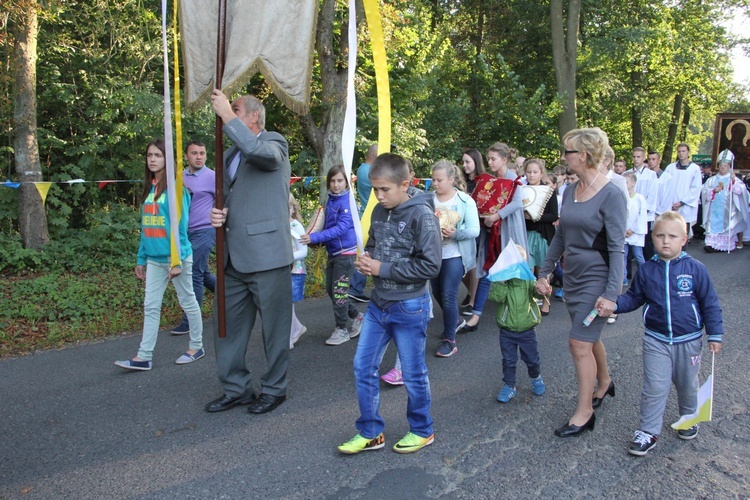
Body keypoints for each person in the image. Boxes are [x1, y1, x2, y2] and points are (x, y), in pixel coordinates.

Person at [337, 153, 442, 455]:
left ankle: (422, 430)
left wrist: (381, 268)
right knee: (362, 366)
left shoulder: (422, 216)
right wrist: (366, 261)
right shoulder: (380, 212)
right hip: (379, 304)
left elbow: (430, 266)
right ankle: (370, 432)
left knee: (412, 372)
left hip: (410, 305)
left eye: (385, 190)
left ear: (405, 184)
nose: (379, 196)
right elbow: (373, 245)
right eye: (374, 189)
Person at [205, 90, 293, 415]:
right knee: (226, 328)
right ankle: (237, 389)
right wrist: (220, 213)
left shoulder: (274, 142)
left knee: (275, 329)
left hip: (267, 255)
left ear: (253, 116)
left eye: (236, 108)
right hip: (231, 257)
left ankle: (274, 389)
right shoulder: (228, 155)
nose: (227, 112)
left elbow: (262, 155)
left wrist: (227, 115)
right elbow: (234, 198)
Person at [536, 127, 627, 438]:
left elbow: (617, 247)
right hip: (573, 278)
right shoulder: (569, 191)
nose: (564, 157)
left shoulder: (612, 194)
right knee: (588, 338)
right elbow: (561, 235)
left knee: (578, 343)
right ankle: (605, 382)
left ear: (585, 155)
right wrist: (544, 271)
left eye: (568, 152)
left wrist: (612, 294)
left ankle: (584, 411)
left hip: (597, 278)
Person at [614, 211, 723, 456]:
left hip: (689, 340)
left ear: (684, 239)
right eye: (660, 235)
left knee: (686, 385)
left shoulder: (696, 269)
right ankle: (648, 431)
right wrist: (615, 305)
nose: (666, 241)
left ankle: (689, 417)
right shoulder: (646, 270)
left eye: (672, 236)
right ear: (652, 237)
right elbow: (634, 298)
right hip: (656, 340)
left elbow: (710, 304)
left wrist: (715, 334)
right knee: (654, 386)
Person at [115, 139, 204, 371]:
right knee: (151, 306)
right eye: (149, 155)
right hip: (154, 259)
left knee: (188, 302)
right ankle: (144, 356)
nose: (152, 159)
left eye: (158, 155)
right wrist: (140, 258)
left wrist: (176, 259)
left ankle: (197, 346)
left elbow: (181, 227)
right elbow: (147, 226)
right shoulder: (150, 187)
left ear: (167, 160)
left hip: (178, 258)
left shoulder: (177, 188)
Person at [460, 142, 527, 333]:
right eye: (488, 158)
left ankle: (519, 312)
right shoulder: (490, 179)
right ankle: (476, 315)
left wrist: (496, 216)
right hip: (491, 231)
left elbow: (516, 203)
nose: (489, 162)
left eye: (493, 159)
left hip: (507, 231)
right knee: (486, 270)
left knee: (513, 270)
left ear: (504, 160)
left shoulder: (513, 178)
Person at [300, 165, 364, 345]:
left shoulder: (347, 202)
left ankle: (341, 328)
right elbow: (327, 225)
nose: (336, 185)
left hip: (346, 254)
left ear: (346, 182)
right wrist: (317, 240)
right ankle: (358, 317)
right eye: (333, 181)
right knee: (332, 290)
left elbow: (341, 228)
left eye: (340, 181)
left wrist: (314, 237)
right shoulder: (332, 200)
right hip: (334, 252)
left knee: (339, 291)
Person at [430, 160, 480, 357]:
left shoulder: (465, 200)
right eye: (433, 179)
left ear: (451, 179)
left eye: (439, 180)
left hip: (455, 254)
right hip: (433, 254)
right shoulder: (428, 199)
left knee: (449, 295)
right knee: (437, 292)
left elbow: (474, 230)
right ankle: (456, 321)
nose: (435, 183)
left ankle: (450, 340)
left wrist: (455, 233)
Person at [488, 245, 546, 403]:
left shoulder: (528, 278)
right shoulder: (501, 280)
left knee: (532, 358)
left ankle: (536, 378)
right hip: (507, 330)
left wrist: (542, 289)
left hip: (527, 328)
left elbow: (537, 292)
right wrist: (501, 282)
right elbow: (496, 298)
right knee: (508, 360)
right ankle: (509, 385)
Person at [171, 141, 217, 335]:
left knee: (193, 274)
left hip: (205, 230)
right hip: (184, 233)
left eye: (202, 153)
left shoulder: (213, 177)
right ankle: (229, 295)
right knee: (202, 271)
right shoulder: (179, 177)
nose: (199, 156)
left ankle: (190, 321)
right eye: (194, 153)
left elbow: (226, 201)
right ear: (186, 156)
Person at [522, 158, 558, 315]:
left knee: (543, 271)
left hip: (543, 236)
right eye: (529, 172)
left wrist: (536, 217)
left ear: (541, 173)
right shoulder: (522, 190)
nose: (531, 175)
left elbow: (553, 215)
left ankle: (546, 302)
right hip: (527, 235)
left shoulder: (549, 192)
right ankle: (529, 301)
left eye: (535, 172)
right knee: (527, 271)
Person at [701, 151, 749, 253]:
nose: (723, 167)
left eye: (725, 165)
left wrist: (734, 182)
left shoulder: (733, 179)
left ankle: (722, 245)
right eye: (721, 165)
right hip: (714, 209)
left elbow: (741, 191)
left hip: (727, 208)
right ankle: (710, 244)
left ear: (729, 167)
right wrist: (713, 191)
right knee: (712, 225)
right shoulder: (712, 180)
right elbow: (704, 191)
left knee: (725, 226)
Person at [349, 144, 379, 303]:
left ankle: (355, 287)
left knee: (365, 250)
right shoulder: (370, 172)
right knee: (367, 252)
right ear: (375, 156)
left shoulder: (361, 168)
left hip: (364, 215)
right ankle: (355, 288)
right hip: (369, 217)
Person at [459, 148, 486, 316]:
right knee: (462, 265)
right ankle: (471, 292)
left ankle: (473, 300)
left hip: (477, 226)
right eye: (463, 162)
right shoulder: (460, 180)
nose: (465, 165)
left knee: (473, 264)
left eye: (468, 162)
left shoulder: (483, 181)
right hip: (461, 226)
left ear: (476, 162)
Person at [663, 143, 702, 240]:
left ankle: (682, 253)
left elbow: (695, 188)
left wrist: (682, 202)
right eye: (679, 151)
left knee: (683, 232)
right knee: (671, 231)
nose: (681, 154)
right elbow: (664, 185)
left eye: (683, 151)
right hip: (671, 204)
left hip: (685, 205)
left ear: (688, 152)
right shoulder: (670, 168)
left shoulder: (694, 169)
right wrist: (669, 202)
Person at [289, 194, 308, 348]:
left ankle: (289, 336)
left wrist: (287, 257)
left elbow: (303, 252)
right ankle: (297, 329)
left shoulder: (296, 226)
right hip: (281, 269)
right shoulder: (278, 225)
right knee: (284, 304)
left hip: (295, 270)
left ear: (292, 208)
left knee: (288, 304)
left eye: (287, 207)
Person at [622, 171, 647, 282]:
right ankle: (623, 277)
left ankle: (645, 276)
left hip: (635, 233)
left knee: (638, 256)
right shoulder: (621, 197)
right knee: (623, 256)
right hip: (624, 232)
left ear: (633, 183)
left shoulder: (639, 198)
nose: (624, 184)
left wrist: (633, 229)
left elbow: (642, 216)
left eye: (626, 182)